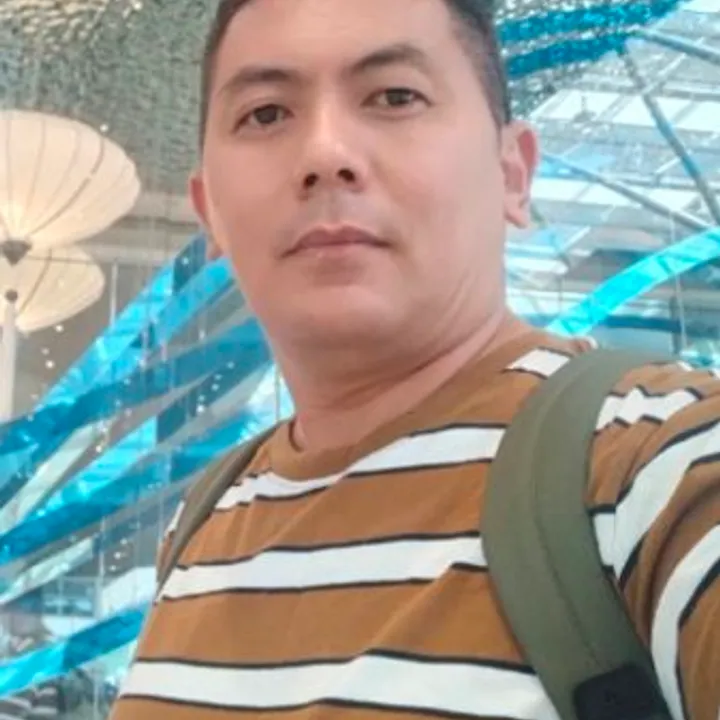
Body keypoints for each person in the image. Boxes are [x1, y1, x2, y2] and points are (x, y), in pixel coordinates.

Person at [110, 0, 720, 718]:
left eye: (396, 96)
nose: (324, 154)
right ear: (209, 209)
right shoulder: (206, 516)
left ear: (512, 174)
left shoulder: (656, 460)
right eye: (266, 113)